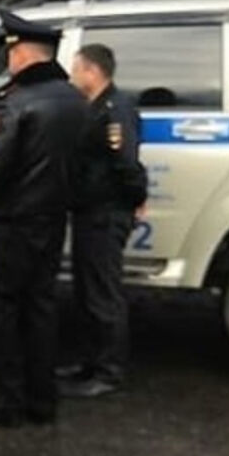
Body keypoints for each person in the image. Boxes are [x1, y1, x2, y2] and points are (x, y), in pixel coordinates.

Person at [0, 10, 88, 427]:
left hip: (14, 222)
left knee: (0, 311)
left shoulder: (16, 103)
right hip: (53, 220)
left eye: (12, 52)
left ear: (22, 55)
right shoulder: (75, 99)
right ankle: (43, 400)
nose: (9, 60)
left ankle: (8, 403)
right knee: (40, 308)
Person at [58, 43, 148, 397]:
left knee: (103, 294)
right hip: (88, 212)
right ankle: (88, 362)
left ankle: (108, 372)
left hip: (106, 213)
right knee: (86, 291)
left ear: (92, 72)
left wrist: (136, 198)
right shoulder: (93, 106)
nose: (72, 76)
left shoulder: (115, 109)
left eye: (76, 69)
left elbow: (126, 163)